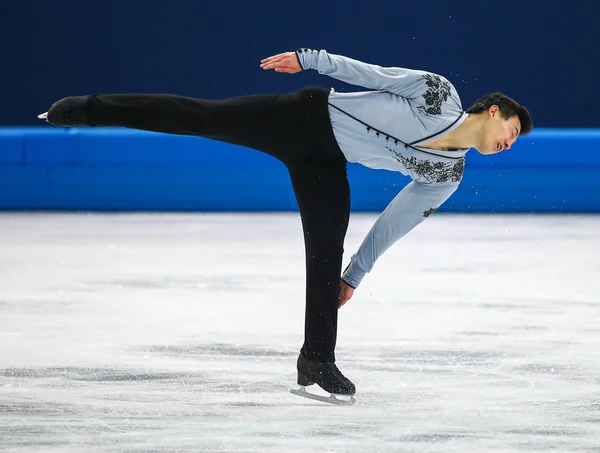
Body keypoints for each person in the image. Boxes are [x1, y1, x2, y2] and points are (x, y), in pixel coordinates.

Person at [39, 48, 532, 402]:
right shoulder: (436, 92)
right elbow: (370, 73)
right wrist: (312, 57)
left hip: (326, 163)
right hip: (302, 116)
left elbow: (395, 220)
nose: (506, 145)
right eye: (509, 133)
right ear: (494, 111)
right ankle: (88, 108)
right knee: (201, 116)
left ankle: (316, 359)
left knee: (326, 254)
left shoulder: (448, 174)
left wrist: (355, 274)